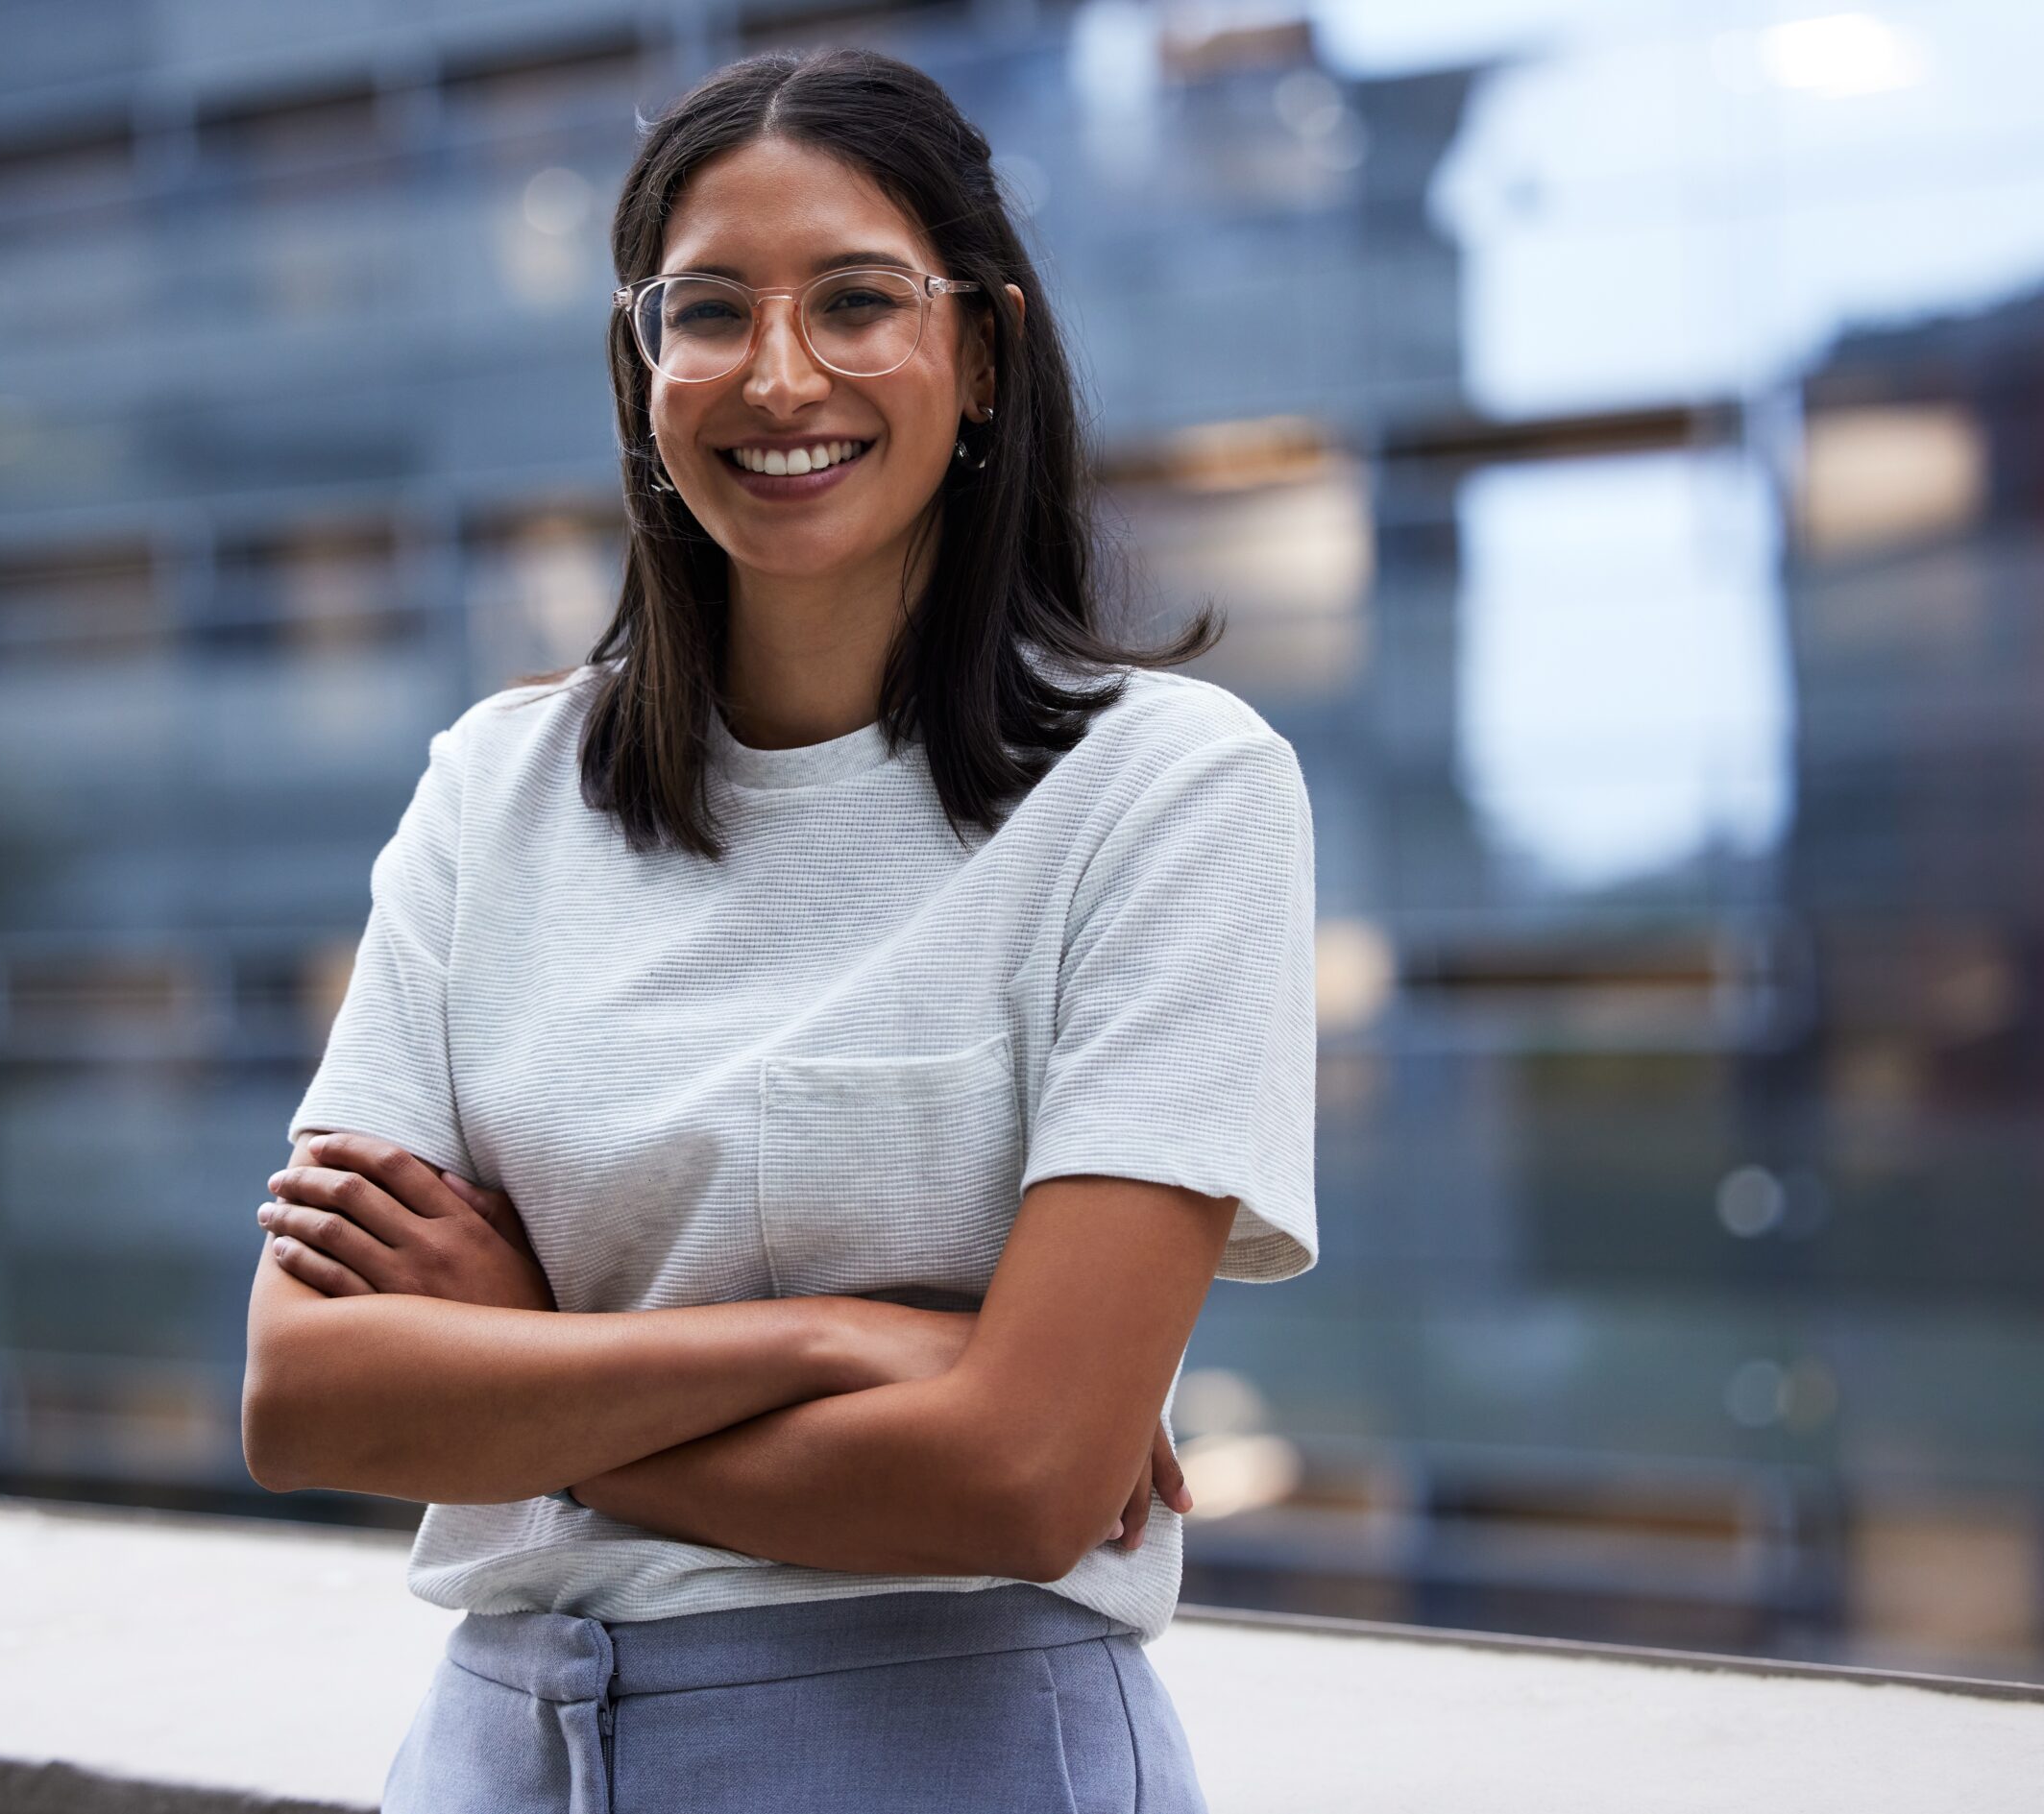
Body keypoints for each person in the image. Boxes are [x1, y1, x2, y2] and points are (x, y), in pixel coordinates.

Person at [242, 44, 1318, 1814]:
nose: (781, 372)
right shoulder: (494, 787)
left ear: (981, 352)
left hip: (936, 1756)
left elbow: (1025, 1475)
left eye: (860, 299)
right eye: (711, 310)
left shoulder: (1171, 795)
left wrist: (523, 1355)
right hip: (489, 1757)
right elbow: (312, 1397)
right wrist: (839, 1339)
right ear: (641, 367)